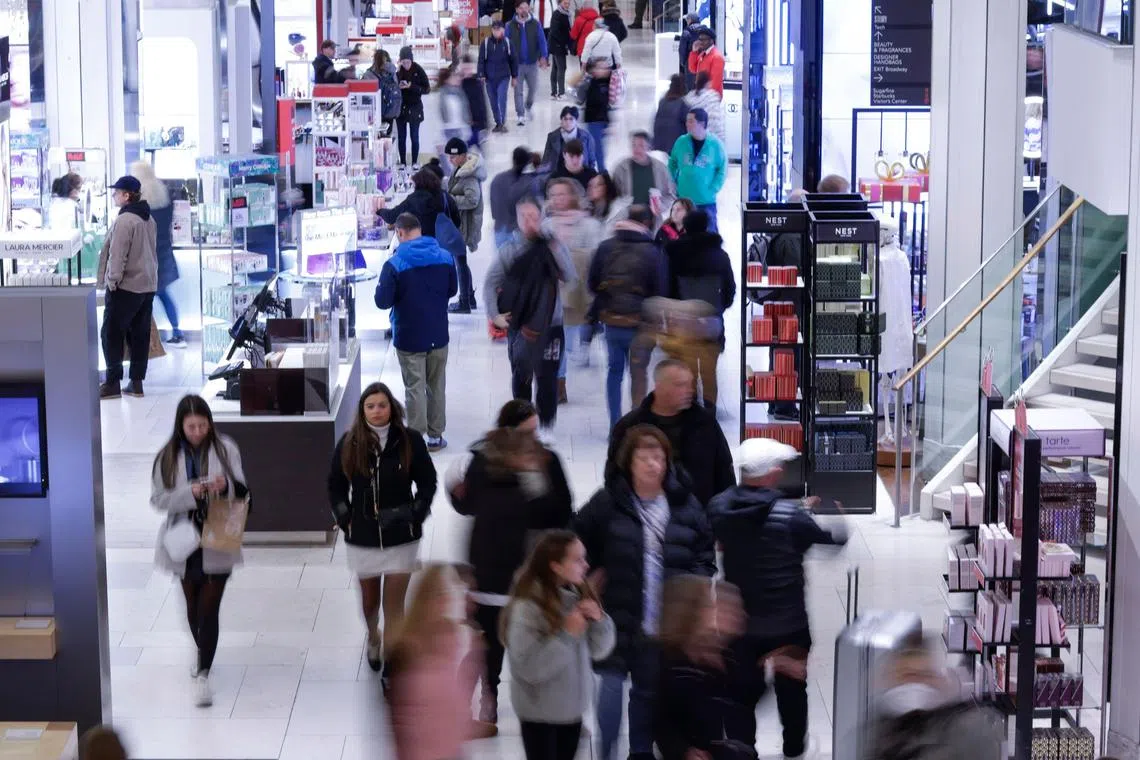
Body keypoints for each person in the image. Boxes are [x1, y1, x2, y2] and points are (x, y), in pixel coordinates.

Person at [574, 424, 717, 760]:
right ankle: (606, 750)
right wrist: (588, 577)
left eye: (659, 457)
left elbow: (704, 553)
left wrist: (692, 589)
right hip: (617, 615)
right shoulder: (608, 502)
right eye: (644, 457)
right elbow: (576, 538)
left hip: (662, 620)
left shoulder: (685, 504)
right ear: (629, 461)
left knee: (646, 693)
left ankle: (639, 753)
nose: (653, 464)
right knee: (610, 686)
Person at [708, 437, 849, 760]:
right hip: (789, 624)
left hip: (740, 624)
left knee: (740, 696)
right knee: (793, 688)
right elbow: (833, 542)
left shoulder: (720, 507)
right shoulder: (790, 515)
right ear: (772, 474)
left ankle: (742, 750)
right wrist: (835, 516)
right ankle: (794, 749)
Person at [451, 421, 574, 731]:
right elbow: (477, 534)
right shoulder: (501, 490)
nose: (533, 457)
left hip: (515, 580)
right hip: (498, 581)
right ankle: (482, 700)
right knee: (492, 646)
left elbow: (557, 515)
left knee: (503, 645)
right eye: (526, 453)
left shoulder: (520, 487)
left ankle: (493, 701)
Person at [328, 382, 438, 681]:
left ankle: (392, 661)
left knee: (395, 605)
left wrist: (417, 512)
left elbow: (428, 482)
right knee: (369, 603)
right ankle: (373, 637)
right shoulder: (350, 443)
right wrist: (344, 515)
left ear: (392, 407)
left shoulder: (410, 441)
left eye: (382, 405)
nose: (377, 411)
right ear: (362, 411)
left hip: (401, 534)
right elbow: (335, 484)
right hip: (362, 535)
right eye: (370, 406)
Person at [150, 394, 249, 707]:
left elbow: (243, 489)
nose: (197, 432)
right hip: (183, 537)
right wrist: (189, 493)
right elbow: (158, 500)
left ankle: (203, 673)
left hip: (217, 533)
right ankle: (202, 653)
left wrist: (224, 487)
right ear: (180, 425)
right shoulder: (167, 456)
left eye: (202, 425)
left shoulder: (226, 448)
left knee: (209, 608)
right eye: (191, 426)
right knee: (192, 607)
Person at [504, 530, 616, 760]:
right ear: (555, 565)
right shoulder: (527, 607)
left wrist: (601, 621)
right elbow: (529, 668)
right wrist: (567, 635)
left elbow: (600, 650)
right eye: (577, 560)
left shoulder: (578, 596)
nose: (586, 565)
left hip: (572, 713)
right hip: (540, 716)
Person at [483, 197, 576, 436]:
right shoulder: (510, 250)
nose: (530, 222)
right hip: (520, 327)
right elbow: (491, 282)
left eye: (534, 216)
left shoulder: (552, 246)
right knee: (521, 378)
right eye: (524, 217)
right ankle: (522, 427)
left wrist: (555, 248)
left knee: (547, 380)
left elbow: (569, 275)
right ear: (517, 219)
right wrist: (495, 315)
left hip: (551, 325)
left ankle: (545, 429)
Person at [375, 214, 457, 451]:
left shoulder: (394, 264)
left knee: (414, 387)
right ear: (419, 230)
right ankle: (436, 436)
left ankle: (416, 438)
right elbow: (453, 290)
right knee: (437, 385)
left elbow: (382, 301)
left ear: (400, 233)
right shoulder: (445, 256)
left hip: (409, 335)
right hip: (438, 333)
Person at [605, 358, 735, 508]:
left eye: (690, 384)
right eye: (680, 385)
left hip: (698, 518)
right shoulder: (630, 427)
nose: (689, 390)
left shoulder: (705, 423)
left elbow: (724, 472)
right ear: (659, 387)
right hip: (644, 517)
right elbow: (614, 476)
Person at [588, 204, 666, 428]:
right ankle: (636, 425)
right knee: (639, 373)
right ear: (647, 223)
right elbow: (660, 290)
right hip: (641, 324)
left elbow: (592, 284)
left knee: (614, 372)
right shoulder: (653, 251)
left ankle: (615, 425)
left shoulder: (605, 247)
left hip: (612, 321)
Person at [386, 564, 475, 760]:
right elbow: (398, 719)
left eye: (451, 592)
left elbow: (453, 689)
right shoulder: (406, 647)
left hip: (450, 746)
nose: (448, 599)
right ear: (425, 598)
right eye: (441, 594)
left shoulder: (449, 633)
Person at [655, 576, 748, 760]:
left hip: (713, 748)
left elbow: (743, 698)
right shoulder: (672, 662)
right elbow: (661, 721)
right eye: (708, 606)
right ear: (690, 614)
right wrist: (684, 751)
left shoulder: (720, 654)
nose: (713, 612)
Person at [866, 644, 1004, 760]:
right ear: (891, 680)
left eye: (924, 676)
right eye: (907, 675)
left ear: (939, 680)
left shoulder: (969, 730)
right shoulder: (882, 731)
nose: (915, 684)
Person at [663, 209, 735, 407]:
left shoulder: (674, 253)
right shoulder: (719, 255)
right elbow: (730, 289)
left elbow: (667, 288)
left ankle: (691, 409)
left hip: (682, 321)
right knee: (709, 372)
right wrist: (719, 308)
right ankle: (709, 415)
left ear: (685, 227)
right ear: (707, 226)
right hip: (711, 321)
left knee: (688, 370)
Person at [97, 175, 158, 400]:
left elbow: (118, 255)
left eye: (116, 192)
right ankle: (136, 382)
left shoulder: (125, 220)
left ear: (126, 195)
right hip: (147, 286)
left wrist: (112, 281)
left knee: (111, 333)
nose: (113, 195)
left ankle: (112, 383)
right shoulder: (148, 219)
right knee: (139, 334)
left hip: (126, 287)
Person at [545, 178, 604, 401]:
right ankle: (558, 384)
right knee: (553, 340)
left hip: (577, 293)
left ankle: (559, 381)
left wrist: (570, 256)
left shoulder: (590, 225)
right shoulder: (547, 225)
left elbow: (598, 256)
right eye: (553, 195)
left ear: (573, 196)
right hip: (551, 292)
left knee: (566, 341)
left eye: (562, 194)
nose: (558, 199)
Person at [130, 160, 183, 348]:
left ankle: (147, 339)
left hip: (146, 255)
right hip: (164, 251)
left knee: (144, 298)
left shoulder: (139, 199)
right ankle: (177, 332)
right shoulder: (163, 191)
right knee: (161, 294)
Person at [444, 138, 486, 314]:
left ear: (462, 156)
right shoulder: (461, 170)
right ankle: (468, 297)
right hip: (460, 223)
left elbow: (472, 199)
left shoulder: (468, 175)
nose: (450, 160)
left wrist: (450, 199)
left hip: (464, 225)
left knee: (460, 262)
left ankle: (464, 302)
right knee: (460, 261)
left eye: (453, 157)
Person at [668, 108, 727, 232]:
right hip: (684, 199)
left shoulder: (715, 145)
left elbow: (722, 169)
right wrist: (672, 181)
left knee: (708, 235)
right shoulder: (681, 142)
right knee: (681, 234)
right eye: (687, 120)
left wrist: (713, 188)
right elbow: (672, 162)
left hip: (706, 201)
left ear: (702, 124)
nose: (686, 123)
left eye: (691, 121)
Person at [378, 167, 460, 239]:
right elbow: (457, 221)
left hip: (419, 243)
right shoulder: (445, 196)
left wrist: (379, 211)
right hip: (443, 245)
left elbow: (391, 216)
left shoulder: (413, 199)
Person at [613, 130, 677, 217]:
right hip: (627, 217)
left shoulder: (661, 169)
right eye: (633, 145)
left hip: (652, 218)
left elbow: (670, 194)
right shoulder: (621, 168)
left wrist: (660, 207)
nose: (636, 149)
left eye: (641, 145)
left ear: (649, 147)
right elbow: (614, 195)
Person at [507, 1, 549, 126]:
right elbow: (506, 44)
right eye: (521, 8)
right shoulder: (510, 25)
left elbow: (542, 41)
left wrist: (544, 56)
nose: (524, 10)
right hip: (517, 65)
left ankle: (528, 106)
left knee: (533, 89)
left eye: (526, 7)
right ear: (516, 10)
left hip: (532, 63)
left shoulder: (535, 24)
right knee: (518, 91)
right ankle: (520, 114)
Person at [491, 146, 542, 247]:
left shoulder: (497, 179)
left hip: (499, 228)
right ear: (528, 163)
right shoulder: (529, 182)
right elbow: (534, 208)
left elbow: (493, 207)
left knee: (502, 261)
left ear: (513, 160)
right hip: (517, 231)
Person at [478, 20, 519, 133]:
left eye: (499, 29)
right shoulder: (485, 43)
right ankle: (498, 123)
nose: (496, 31)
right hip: (489, 78)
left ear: (503, 30)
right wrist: (481, 74)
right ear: (492, 30)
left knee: (502, 99)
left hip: (504, 77)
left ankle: (502, 123)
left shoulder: (508, 43)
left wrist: (515, 77)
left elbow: (514, 61)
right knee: (493, 101)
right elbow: (481, 60)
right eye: (494, 29)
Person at [395, 46, 431, 166]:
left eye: (408, 62)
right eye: (403, 62)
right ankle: (403, 163)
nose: (405, 65)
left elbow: (427, 89)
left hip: (415, 108)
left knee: (414, 137)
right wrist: (398, 87)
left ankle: (415, 162)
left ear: (412, 60)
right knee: (401, 138)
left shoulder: (418, 70)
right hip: (401, 109)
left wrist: (411, 86)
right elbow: (393, 88)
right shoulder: (398, 72)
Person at [576, 56, 613, 169]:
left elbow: (608, 103)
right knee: (598, 150)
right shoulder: (589, 83)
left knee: (599, 148)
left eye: (606, 67)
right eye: (601, 68)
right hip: (593, 120)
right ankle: (602, 172)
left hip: (604, 120)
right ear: (594, 70)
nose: (605, 70)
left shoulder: (608, 82)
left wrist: (610, 122)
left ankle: (593, 168)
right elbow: (579, 98)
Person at [541, 106, 601, 172]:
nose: (568, 122)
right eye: (565, 119)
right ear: (561, 120)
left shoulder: (587, 137)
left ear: (576, 121)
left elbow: (592, 161)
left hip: (581, 175)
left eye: (571, 119)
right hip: (558, 176)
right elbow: (545, 160)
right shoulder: (552, 136)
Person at [362, 49, 402, 136]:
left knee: (374, 138)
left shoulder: (368, 74)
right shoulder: (392, 73)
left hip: (374, 112)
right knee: (387, 138)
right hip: (390, 111)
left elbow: (363, 96)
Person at [652, 75, 690, 155]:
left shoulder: (662, 102)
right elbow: (689, 126)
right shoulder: (682, 104)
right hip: (676, 144)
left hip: (659, 143)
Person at [685, 70, 725, 143]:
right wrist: (721, 141)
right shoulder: (713, 97)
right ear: (708, 83)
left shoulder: (689, 98)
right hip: (711, 140)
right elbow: (718, 123)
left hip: (693, 139)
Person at [586, 172, 631, 236]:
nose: (592, 188)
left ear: (606, 187)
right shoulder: (587, 210)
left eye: (598, 184)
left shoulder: (618, 210)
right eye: (590, 185)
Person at [437, 66, 470, 151]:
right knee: (452, 157)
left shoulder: (461, 92)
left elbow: (465, 109)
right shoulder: (442, 93)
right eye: (453, 76)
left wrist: (466, 124)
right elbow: (441, 113)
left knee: (461, 157)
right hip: (448, 129)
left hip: (461, 128)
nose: (456, 78)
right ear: (447, 79)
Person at [458, 55, 489, 145]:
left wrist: (485, 124)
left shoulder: (477, 82)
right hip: (464, 125)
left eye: (469, 68)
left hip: (478, 124)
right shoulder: (459, 84)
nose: (467, 71)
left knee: (479, 153)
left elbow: (482, 103)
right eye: (465, 68)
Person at [687, 27, 724, 95]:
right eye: (700, 39)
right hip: (701, 94)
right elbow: (693, 69)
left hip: (711, 98)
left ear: (711, 41)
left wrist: (705, 97)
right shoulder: (703, 54)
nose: (701, 42)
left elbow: (715, 82)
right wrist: (694, 52)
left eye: (704, 40)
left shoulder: (716, 57)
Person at [548, 0, 574, 99]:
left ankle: (554, 92)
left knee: (556, 68)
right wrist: (564, 43)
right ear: (559, 3)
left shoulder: (566, 14)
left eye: (568, 3)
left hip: (559, 45)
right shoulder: (557, 14)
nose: (567, 5)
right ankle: (561, 93)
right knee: (561, 68)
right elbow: (554, 31)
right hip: (557, 45)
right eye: (565, 3)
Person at [677, 14, 701, 87]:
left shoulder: (687, 32)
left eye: (687, 19)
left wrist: (683, 62)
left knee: (690, 85)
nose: (687, 21)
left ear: (690, 20)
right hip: (703, 60)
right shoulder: (705, 30)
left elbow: (682, 49)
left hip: (690, 61)